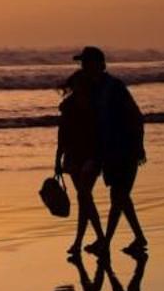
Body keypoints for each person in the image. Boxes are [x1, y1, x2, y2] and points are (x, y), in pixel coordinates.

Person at [74, 45, 147, 256]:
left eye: (86, 62)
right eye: (82, 63)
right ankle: (139, 238)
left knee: (118, 197)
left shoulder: (114, 87)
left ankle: (106, 242)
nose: (83, 66)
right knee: (121, 196)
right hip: (110, 151)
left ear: (98, 65)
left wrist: (139, 146)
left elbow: (136, 116)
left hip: (125, 149)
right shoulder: (95, 89)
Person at [53, 69, 105, 260]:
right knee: (84, 198)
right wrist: (57, 159)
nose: (79, 88)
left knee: (84, 196)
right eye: (77, 85)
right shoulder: (69, 106)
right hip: (74, 156)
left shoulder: (94, 106)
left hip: (90, 156)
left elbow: (98, 134)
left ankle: (97, 239)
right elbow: (62, 135)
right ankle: (83, 241)